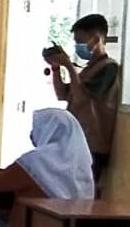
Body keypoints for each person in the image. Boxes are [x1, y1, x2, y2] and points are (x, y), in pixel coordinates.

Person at [49, 13, 120, 186]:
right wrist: (56, 68)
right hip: (75, 141)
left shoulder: (108, 68)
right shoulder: (88, 70)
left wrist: (68, 66)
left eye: (80, 41)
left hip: (92, 146)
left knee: (80, 197)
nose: (77, 47)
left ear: (96, 39)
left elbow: (82, 99)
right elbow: (62, 95)